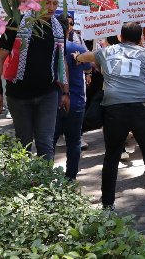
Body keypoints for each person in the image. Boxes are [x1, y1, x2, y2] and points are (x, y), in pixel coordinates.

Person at [75, 22, 145, 233]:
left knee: (111, 157)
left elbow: (88, 56)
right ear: (140, 39)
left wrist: (77, 58)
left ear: (120, 37)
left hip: (114, 112)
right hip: (143, 111)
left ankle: (107, 207)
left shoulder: (106, 51)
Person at [0, 0, 70, 161]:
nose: (52, 8)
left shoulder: (59, 27)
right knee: (23, 145)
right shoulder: (16, 23)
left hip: (48, 94)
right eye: (48, 3)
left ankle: (45, 186)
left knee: (46, 144)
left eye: (55, 3)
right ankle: (25, 185)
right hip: (18, 95)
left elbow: (61, 60)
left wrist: (65, 92)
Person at [57, 18, 92, 180]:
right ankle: (70, 177)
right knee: (74, 141)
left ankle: (43, 177)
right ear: (68, 30)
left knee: (48, 142)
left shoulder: (49, 50)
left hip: (52, 104)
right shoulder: (77, 49)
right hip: (76, 101)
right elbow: (88, 67)